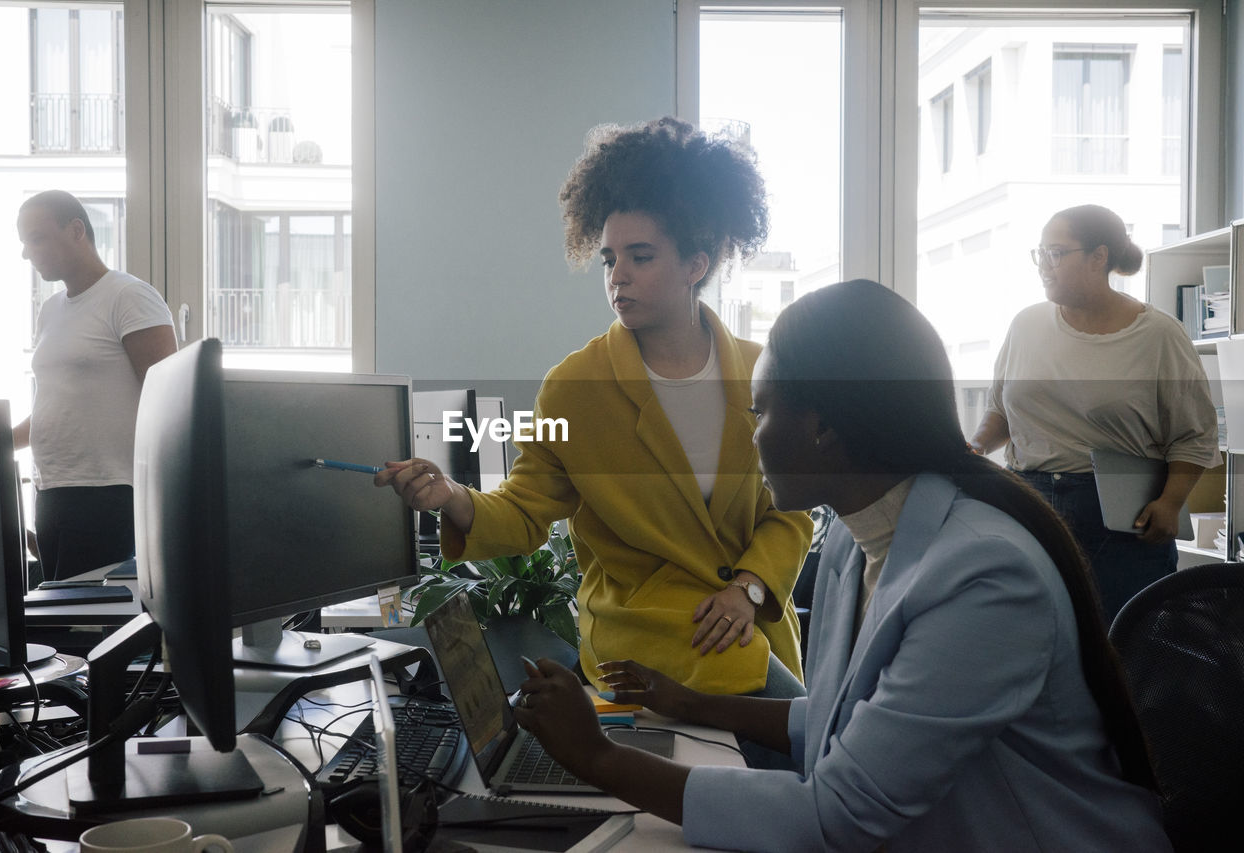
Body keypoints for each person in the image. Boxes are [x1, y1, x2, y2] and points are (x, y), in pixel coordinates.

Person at [511, 279, 1170, 852]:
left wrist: (597, 758)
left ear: (822, 425)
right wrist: (687, 701)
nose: (751, 432)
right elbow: (836, 716)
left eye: (762, 409)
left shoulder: (984, 575)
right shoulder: (853, 543)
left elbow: (834, 815)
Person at [377, 118, 812, 712]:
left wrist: (747, 587)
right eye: (609, 259)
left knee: (805, 766)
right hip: (647, 648)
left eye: (641, 256)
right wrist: (453, 496)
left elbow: (789, 512)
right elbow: (525, 511)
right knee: (797, 759)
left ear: (696, 264)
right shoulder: (575, 389)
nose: (618, 276)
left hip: (753, 632)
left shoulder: (761, 372)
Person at [969, 204, 1219, 621]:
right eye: (1040, 253)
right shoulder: (1026, 325)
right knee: (1033, 638)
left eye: (1056, 253)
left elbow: (1194, 434)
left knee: (1120, 650)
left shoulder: (1157, 335)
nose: (1044, 266)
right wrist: (975, 446)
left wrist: (1171, 503)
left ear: (1099, 257)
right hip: (1029, 502)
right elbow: (1000, 409)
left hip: (1119, 516)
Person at [12, 190, 176, 581]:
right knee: (58, 630)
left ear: (76, 230)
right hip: (52, 491)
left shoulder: (128, 296)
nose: (26, 253)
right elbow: (58, 404)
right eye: (23, 242)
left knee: (95, 635)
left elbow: (172, 405)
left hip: (109, 493)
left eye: (36, 238)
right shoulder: (50, 311)